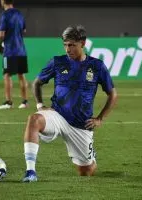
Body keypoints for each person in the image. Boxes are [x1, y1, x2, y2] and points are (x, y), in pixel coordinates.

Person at [21, 25, 118, 182]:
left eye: (72, 45)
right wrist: (40, 105)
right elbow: (37, 83)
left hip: (81, 124)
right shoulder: (57, 62)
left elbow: (112, 94)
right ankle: (30, 171)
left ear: (83, 43)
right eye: (65, 45)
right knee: (34, 119)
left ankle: (90, 157)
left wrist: (99, 118)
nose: (67, 49)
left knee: (86, 172)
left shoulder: (97, 66)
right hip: (57, 115)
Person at [0, 0, 29, 110]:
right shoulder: (19, 14)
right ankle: (24, 102)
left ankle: (8, 102)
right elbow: (24, 30)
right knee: (21, 75)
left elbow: (1, 34)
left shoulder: (5, 15)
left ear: (3, 1)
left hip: (10, 51)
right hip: (21, 50)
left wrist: (0, 46)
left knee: (7, 75)